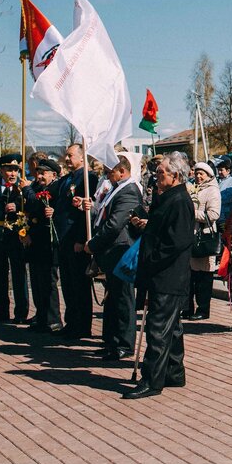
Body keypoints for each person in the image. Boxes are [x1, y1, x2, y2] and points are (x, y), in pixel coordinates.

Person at [125, 152, 195, 399]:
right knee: (171, 326)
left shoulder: (179, 201)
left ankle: (152, 380)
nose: (156, 177)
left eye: (161, 173)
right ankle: (174, 372)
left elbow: (176, 242)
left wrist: (151, 262)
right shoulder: (166, 197)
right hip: (162, 274)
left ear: (175, 176)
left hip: (167, 275)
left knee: (157, 329)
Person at [86, 154, 142, 360]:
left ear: (122, 171)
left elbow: (115, 224)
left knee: (123, 299)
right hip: (111, 252)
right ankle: (110, 340)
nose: (108, 175)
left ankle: (124, 344)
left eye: (111, 171)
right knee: (112, 299)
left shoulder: (128, 191)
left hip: (120, 250)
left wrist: (93, 244)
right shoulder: (117, 188)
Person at [0, 153, 31, 322]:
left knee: (18, 274)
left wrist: (17, 206)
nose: (13, 174)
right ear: (1, 170)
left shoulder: (22, 187)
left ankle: (21, 312)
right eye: (9, 170)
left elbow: (29, 207)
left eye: (15, 170)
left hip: (15, 236)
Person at [55, 144, 95, 339]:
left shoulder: (88, 178)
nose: (67, 159)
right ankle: (71, 322)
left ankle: (81, 325)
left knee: (79, 285)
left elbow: (85, 213)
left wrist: (81, 239)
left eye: (71, 155)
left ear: (82, 157)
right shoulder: (67, 179)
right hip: (64, 239)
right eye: (66, 155)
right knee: (68, 284)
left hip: (76, 239)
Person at [24, 157, 62, 333]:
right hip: (36, 240)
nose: (39, 176)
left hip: (48, 241)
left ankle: (53, 319)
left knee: (49, 282)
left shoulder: (55, 188)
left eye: (43, 173)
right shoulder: (36, 187)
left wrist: (27, 190)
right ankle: (41, 315)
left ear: (53, 174)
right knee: (37, 281)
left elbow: (35, 203)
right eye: (38, 172)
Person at [186, 161, 222, 320]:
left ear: (209, 175)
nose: (198, 176)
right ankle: (187, 307)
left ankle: (203, 309)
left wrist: (193, 213)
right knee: (190, 276)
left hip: (204, 237)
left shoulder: (213, 191)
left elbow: (214, 215)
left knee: (204, 277)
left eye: (202, 174)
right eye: (196, 173)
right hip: (191, 236)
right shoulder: (193, 188)